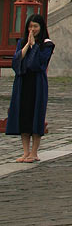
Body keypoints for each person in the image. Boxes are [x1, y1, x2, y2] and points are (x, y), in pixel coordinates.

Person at [5, 14, 55, 163]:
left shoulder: (47, 45)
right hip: (23, 82)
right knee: (23, 115)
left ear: (41, 28)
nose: (32, 29)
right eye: (30, 26)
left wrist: (34, 46)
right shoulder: (21, 42)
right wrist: (27, 45)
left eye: (35, 27)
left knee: (36, 115)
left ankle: (34, 152)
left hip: (37, 83)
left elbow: (38, 64)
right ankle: (25, 152)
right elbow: (16, 63)